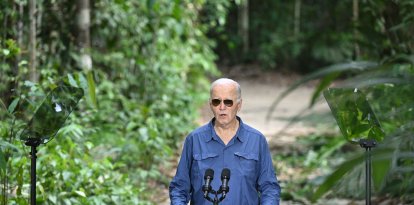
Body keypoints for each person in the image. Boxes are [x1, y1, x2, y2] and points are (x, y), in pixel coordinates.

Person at [169, 78, 281, 205]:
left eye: (228, 102)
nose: (222, 107)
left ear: (239, 105)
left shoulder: (257, 140)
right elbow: (179, 188)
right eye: (216, 102)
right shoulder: (194, 140)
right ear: (210, 105)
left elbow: (270, 188)